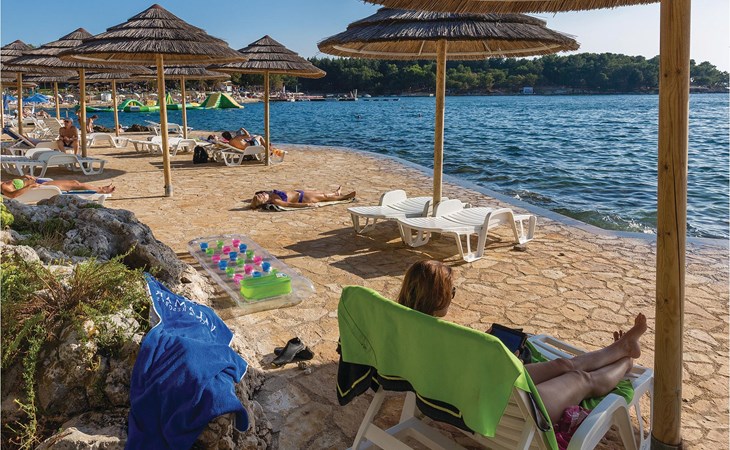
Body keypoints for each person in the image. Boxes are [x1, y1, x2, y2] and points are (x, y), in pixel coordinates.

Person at [396, 260, 647, 424]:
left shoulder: (404, 329)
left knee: (563, 365)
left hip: (481, 389)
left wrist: (491, 354)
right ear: (438, 297)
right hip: (510, 411)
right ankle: (625, 362)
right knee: (581, 379)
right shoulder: (452, 339)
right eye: (451, 291)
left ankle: (621, 348)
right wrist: (507, 359)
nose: (453, 297)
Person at [1, 175, 115, 199]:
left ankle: (100, 189)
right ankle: (101, 190)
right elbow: (12, 195)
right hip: (42, 186)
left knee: (74, 183)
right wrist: (30, 186)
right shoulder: (3, 187)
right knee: (75, 184)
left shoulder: (2, 183)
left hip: (37, 182)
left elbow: (15, 186)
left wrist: (22, 177)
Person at [249, 186, 356, 209]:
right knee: (324, 197)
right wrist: (307, 204)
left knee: (321, 193)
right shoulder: (275, 200)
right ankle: (345, 197)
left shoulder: (271, 194)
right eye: (261, 196)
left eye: (261, 194)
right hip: (303, 198)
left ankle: (335, 193)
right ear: (265, 201)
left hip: (300, 193)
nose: (262, 194)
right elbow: (290, 204)